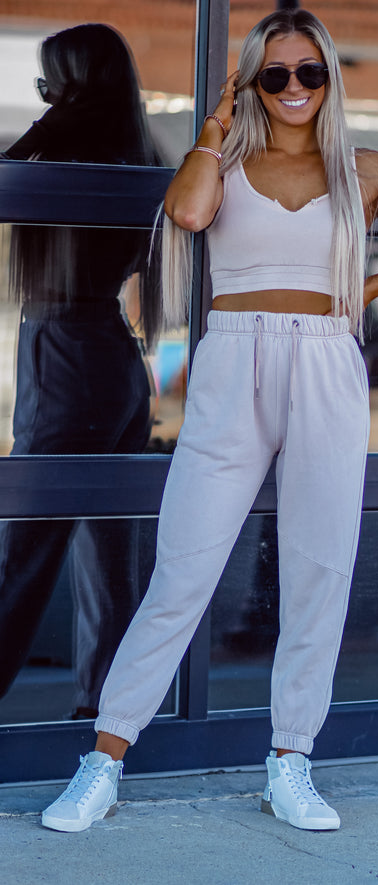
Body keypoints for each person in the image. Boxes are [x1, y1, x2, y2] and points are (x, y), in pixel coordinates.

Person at [41, 8, 378, 833]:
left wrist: (372, 292)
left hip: (325, 360)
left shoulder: (366, 170)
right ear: (252, 80)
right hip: (233, 361)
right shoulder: (227, 161)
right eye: (274, 73)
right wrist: (214, 128)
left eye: (309, 73)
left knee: (320, 572)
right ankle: (101, 762)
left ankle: (290, 761)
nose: (293, 88)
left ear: (329, 81)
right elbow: (187, 213)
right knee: (182, 572)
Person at [0, 23, 161, 717]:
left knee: (23, 554)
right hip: (114, 355)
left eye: (49, 84)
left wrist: (47, 118)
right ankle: (103, 721)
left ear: (71, 87)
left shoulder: (67, 152)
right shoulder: (134, 153)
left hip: (68, 356)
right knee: (108, 565)